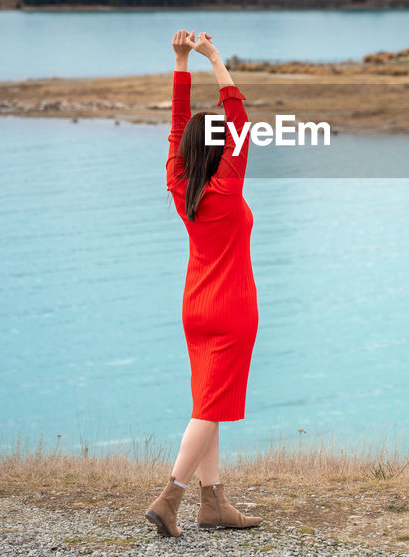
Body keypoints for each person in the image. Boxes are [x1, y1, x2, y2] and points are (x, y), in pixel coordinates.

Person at [144, 29, 262, 538]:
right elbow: (239, 116)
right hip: (233, 310)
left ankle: (213, 504)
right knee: (211, 407)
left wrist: (179, 63)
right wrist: (213, 56)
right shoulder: (227, 189)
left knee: (206, 405)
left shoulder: (180, 186)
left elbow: (176, 127)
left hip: (195, 307)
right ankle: (169, 498)